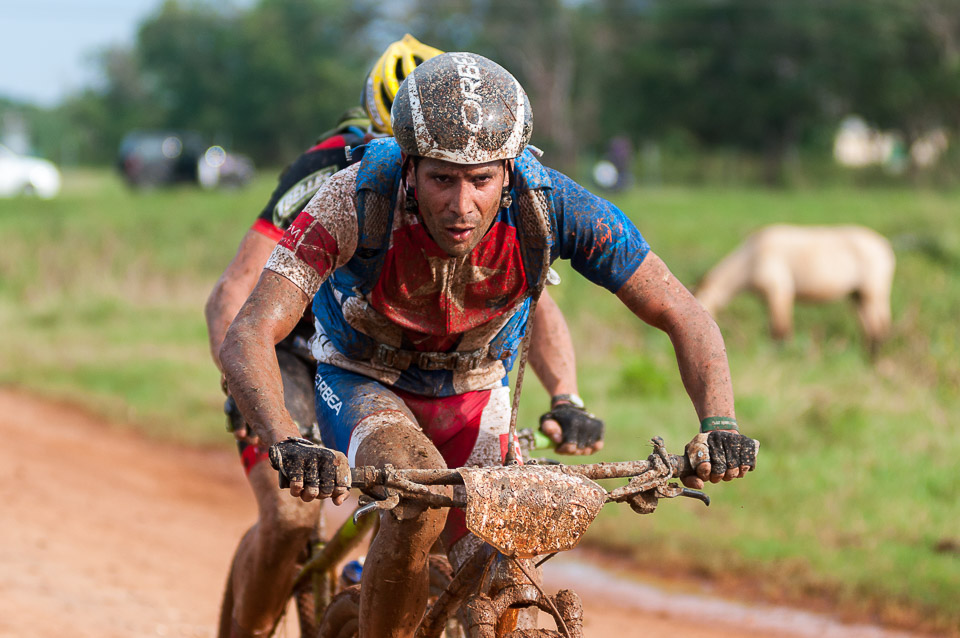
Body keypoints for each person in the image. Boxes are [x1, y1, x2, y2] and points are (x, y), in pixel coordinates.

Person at [220, 52, 758, 638]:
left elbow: (682, 311)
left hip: (474, 384)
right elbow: (251, 327)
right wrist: (286, 438)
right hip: (362, 378)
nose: (461, 204)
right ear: (409, 166)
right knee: (414, 503)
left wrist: (720, 424)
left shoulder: (552, 205)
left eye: (481, 180)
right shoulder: (352, 199)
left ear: (509, 170)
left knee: (501, 542)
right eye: (441, 178)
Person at [205, 36, 601, 638]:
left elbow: (528, 301)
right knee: (290, 516)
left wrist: (566, 394)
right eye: (430, 164)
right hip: (294, 352)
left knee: (443, 513)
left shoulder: (500, 200)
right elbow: (236, 295)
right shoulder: (327, 174)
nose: (449, 192)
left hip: (402, 363)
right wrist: (246, 390)